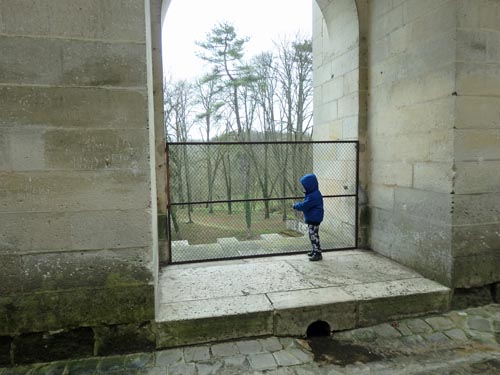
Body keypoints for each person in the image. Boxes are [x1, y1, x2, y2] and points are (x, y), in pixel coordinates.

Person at [292, 173, 324, 261]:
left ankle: (317, 253)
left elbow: (304, 205)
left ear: (310, 185)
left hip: (314, 218)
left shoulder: (313, 195)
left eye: (305, 186)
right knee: (313, 235)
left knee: (313, 235)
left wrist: (295, 206)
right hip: (314, 217)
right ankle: (315, 250)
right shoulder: (313, 193)